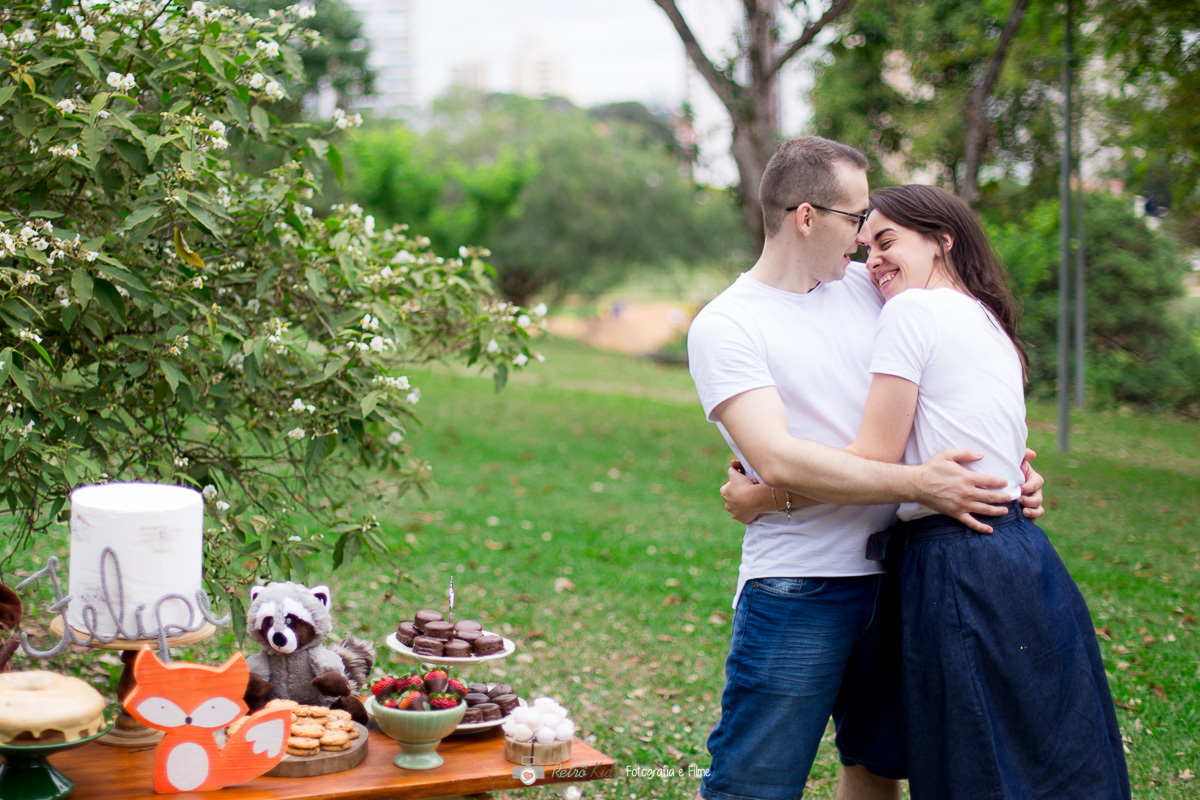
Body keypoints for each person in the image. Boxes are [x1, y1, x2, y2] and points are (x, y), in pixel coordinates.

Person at [721, 184, 1130, 799]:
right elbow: (990, 450)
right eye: (865, 245)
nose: (873, 260)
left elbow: (874, 462)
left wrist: (764, 498)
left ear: (943, 240)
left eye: (887, 242)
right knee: (1043, 756)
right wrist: (1020, 481)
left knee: (971, 763)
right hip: (1021, 554)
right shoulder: (986, 318)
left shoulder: (910, 312)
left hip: (956, 562)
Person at [686, 137, 1044, 800]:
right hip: (803, 585)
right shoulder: (727, 325)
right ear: (806, 216)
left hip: (909, 574)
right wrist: (919, 481)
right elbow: (777, 456)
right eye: (855, 221)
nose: (864, 242)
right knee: (754, 782)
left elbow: (953, 374)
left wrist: (1004, 464)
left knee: (878, 767)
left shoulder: (873, 288)